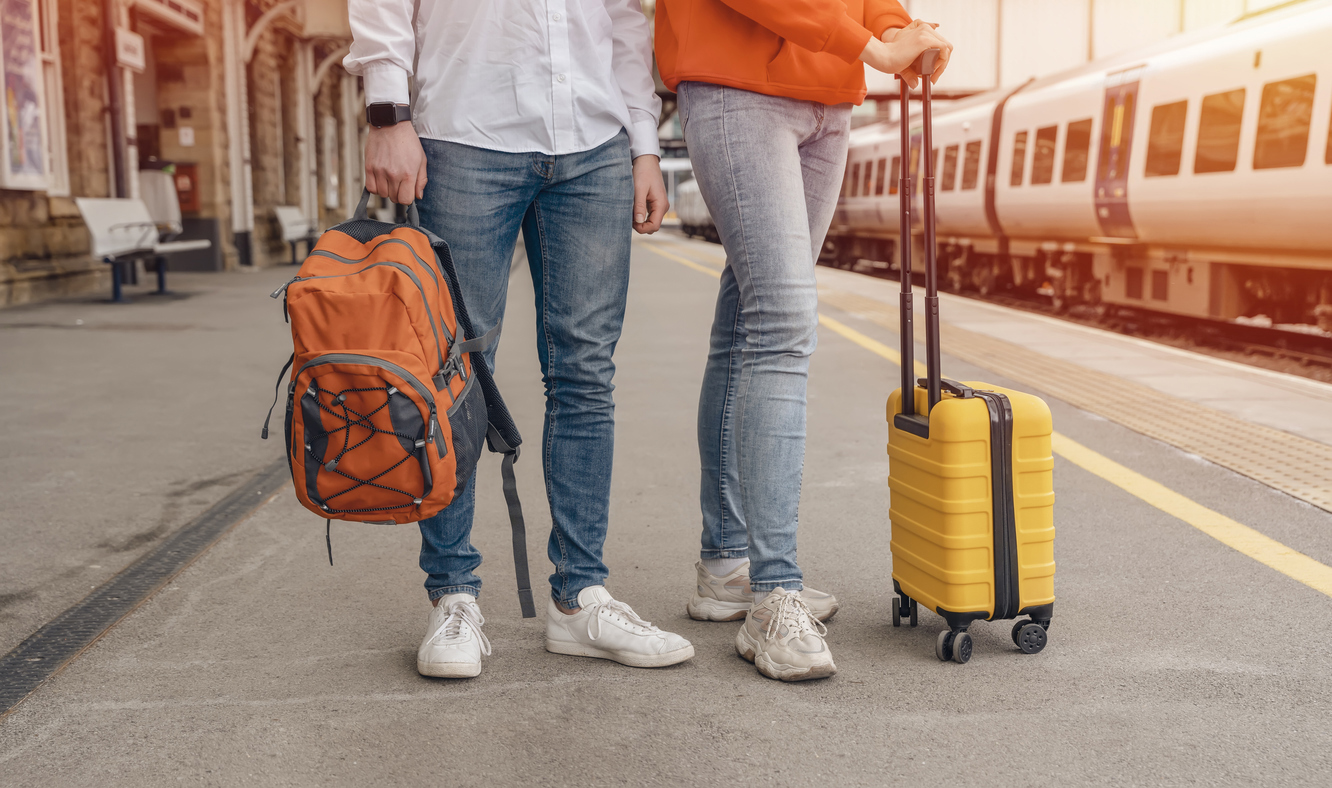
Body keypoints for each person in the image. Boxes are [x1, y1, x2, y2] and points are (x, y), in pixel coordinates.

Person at [344, 0, 694, 679]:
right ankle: (453, 595)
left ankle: (579, 597)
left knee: (586, 374)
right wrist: (387, 111)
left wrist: (644, 144)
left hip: (594, 141)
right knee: (453, 374)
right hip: (464, 132)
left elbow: (625, 19)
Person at [656, 0, 953, 681]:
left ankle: (727, 567)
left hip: (828, 96)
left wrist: (895, 28)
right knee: (783, 323)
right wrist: (869, 46)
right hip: (737, 85)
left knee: (748, 321)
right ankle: (773, 592)